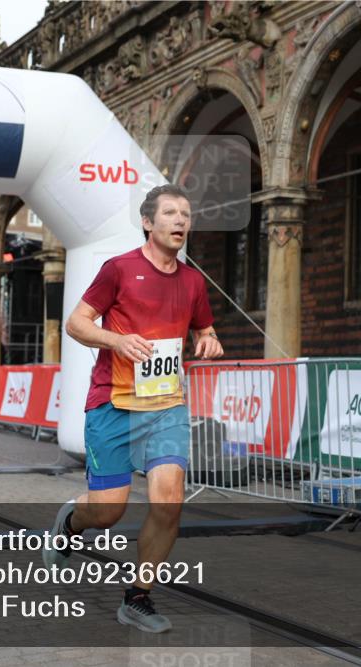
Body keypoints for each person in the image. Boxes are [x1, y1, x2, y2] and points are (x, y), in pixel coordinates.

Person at [43, 184, 223, 633]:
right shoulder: (119, 269)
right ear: (147, 222)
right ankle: (71, 523)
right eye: (170, 213)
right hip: (114, 403)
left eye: (186, 214)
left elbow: (204, 328)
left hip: (166, 406)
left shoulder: (193, 281)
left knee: (169, 502)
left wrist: (208, 339)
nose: (180, 220)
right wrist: (117, 340)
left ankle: (137, 597)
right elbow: (77, 323)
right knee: (108, 513)